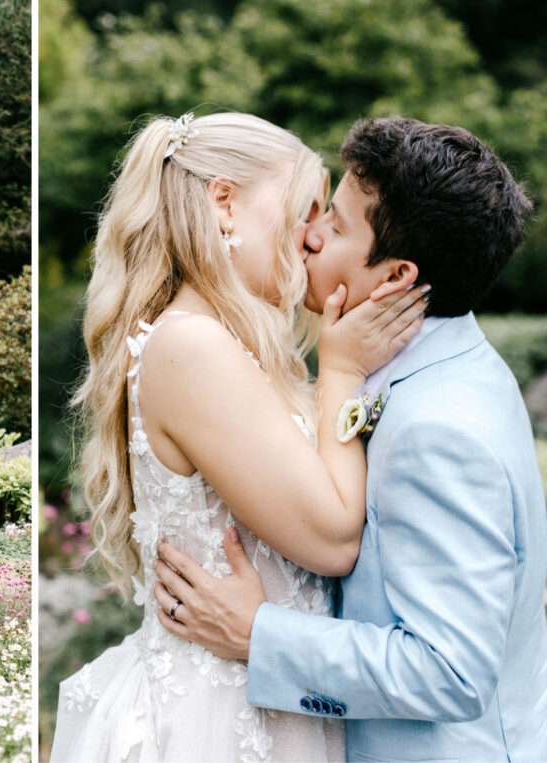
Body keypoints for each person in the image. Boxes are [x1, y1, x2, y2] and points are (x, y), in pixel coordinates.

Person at [152, 117, 547, 761]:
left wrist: (260, 635)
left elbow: (453, 673)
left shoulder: (438, 428)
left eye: (334, 227)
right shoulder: (442, 363)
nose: (306, 235)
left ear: (394, 277)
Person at [50, 112, 428, 761]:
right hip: (219, 721)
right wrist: (339, 369)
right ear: (224, 200)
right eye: (305, 209)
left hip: (276, 693)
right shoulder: (192, 344)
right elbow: (334, 536)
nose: (312, 237)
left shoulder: (230, 343)